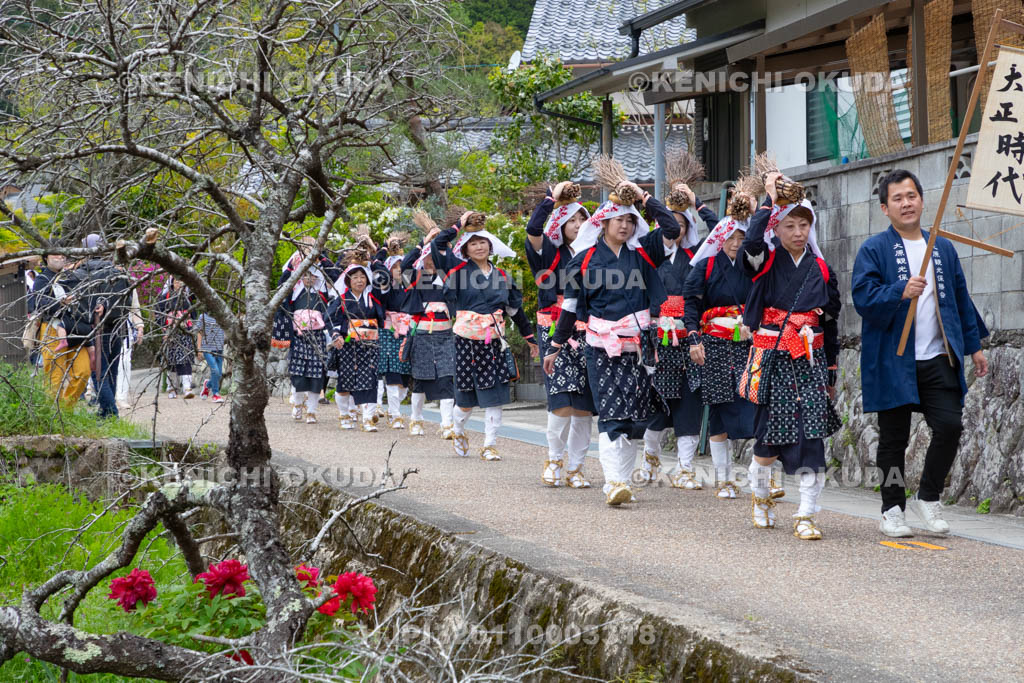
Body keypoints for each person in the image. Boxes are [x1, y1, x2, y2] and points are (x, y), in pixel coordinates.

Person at [851, 169, 988, 538]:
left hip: (937, 358)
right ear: (885, 208)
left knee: (950, 426)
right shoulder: (874, 249)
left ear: (922, 201)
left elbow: (960, 300)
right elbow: (862, 298)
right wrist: (899, 290)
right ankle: (892, 508)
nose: (906, 203)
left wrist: (973, 346)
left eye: (911, 196)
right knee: (894, 440)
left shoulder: (941, 247)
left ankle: (929, 496)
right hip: (894, 360)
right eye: (897, 198)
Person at [544, 177, 680, 506]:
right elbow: (571, 307)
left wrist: (645, 198)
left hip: (639, 345)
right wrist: (555, 345)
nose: (625, 225)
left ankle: (622, 479)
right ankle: (614, 481)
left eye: (630, 219)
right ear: (603, 222)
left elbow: (671, 227)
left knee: (636, 416)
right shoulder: (585, 260)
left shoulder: (645, 254)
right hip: (600, 346)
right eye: (618, 219)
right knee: (610, 412)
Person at [740, 172, 841, 539]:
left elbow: (829, 322)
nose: (798, 232)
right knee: (766, 440)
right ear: (777, 228)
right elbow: (751, 245)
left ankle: (806, 515)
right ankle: (761, 497)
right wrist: (769, 201)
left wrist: (830, 370)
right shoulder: (764, 262)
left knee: (812, 436)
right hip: (773, 359)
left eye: (804, 225)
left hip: (809, 362)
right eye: (790, 225)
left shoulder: (821, 268)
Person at [430, 212, 538, 461]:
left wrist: (530, 338)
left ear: (491, 246)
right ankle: (458, 430)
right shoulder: (456, 271)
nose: (479, 247)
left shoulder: (502, 277)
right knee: (466, 399)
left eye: (482, 242)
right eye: (473, 243)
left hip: (494, 341)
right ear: (466, 249)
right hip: (465, 340)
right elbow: (437, 245)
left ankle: (490, 444)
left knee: (495, 395)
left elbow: (515, 311)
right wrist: (459, 224)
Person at [639, 182, 718, 490]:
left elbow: (718, 230)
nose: (677, 231)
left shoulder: (698, 256)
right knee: (657, 399)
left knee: (690, 399)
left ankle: (685, 468)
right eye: (672, 225)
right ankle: (650, 458)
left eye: (683, 225)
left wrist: (697, 203)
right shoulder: (649, 254)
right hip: (658, 336)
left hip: (691, 337)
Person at [525, 181, 595, 488]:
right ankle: (554, 458)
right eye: (571, 221)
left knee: (584, 404)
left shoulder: (596, 253)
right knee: (561, 399)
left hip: (591, 331)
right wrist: (551, 199)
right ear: (560, 224)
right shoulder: (548, 253)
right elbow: (533, 228)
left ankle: (577, 466)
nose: (578, 225)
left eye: (582, 220)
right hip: (553, 328)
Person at [683, 211, 758, 499]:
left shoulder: (753, 267)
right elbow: (691, 305)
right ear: (719, 239)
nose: (737, 243)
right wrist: (693, 339)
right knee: (717, 407)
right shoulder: (705, 267)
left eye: (742, 237)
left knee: (751, 400)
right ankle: (724, 478)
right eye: (731, 237)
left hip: (745, 343)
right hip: (713, 344)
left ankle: (759, 473)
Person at [402, 224, 457, 438]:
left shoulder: (450, 279)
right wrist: (422, 243)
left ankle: (447, 424)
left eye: (435, 258)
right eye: (428, 258)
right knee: (421, 380)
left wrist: (447, 247)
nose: (431, 262)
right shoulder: (416, 279)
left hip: (445, 335)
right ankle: (416, 419)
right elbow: (406, 264)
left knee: (446, 378)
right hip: (423, 334)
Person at [70, 234, 132, 419]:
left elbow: (80, 307)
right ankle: (106, 411)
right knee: (111, 370)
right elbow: (126, 302)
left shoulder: (81, 274)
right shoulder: (118, 272)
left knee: (98, 371)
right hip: (118, 329)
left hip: (95, 330)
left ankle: (110, 411)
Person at [327, 245, 385, 431]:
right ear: (348, 280)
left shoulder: (373, 298)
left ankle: (367, 419)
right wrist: (336, 335)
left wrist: (375, 255)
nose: (359, 281)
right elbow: (329, 317)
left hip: (370, 346)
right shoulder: (342, 299)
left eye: (362, 277)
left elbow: (384, 277)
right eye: (355, 277)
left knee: (370, 380)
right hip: (348, 346)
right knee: (346, 382)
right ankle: (344, 413)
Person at [27, 242, 92, 404]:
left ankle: (65, 408)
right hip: (51, 329)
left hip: (75, 328)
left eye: (62, 254)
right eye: (55, 254)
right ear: (46, 258)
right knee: (55, 374)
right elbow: (41, 304)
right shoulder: (42, 279)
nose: (60, 257)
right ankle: (50, 413)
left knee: (83, 371)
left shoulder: (73, 277)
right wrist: (63, 303)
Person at [282, 269, 333, 423]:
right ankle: (297, 405)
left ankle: (312, 411)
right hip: (299, 337)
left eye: (312, 276)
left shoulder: (322, 294)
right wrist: (292, 266)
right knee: (298, 374)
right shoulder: (294, 293)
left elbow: (332, 275)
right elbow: (283, 285)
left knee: (317, 374)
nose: (309, 278)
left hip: (317, 337)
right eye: (306, 275)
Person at [376, 241, 413, 429]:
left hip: (408, 330)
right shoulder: (385, 289)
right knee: (392, 372)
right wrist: (382, 250)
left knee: (405, 376)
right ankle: (395, 413)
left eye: (402, 268)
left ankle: (393, 408)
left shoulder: (412, 289)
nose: (399, 272)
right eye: (396, 268)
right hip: (390, 331)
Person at [158, 276, 197, 399]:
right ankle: (172, 387)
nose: (179, 283)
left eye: (181, 281)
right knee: (171, 359)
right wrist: (164, 330)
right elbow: (159, 315)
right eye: (176, 281)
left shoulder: (188, 297)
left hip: (185, 331)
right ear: (171, 283)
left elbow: (193, 314)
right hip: (170, 332)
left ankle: (187, 387)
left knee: (186, 357)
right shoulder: (164, 298)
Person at [197, 310, 226, 404]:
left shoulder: (221, 315)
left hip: (219, 349)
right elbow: (199, 332)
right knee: (215, 371)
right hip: (207, 348)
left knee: (219, 374)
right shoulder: (203, 317)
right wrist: (199, 349)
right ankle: (216, 394)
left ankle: (207, 385)